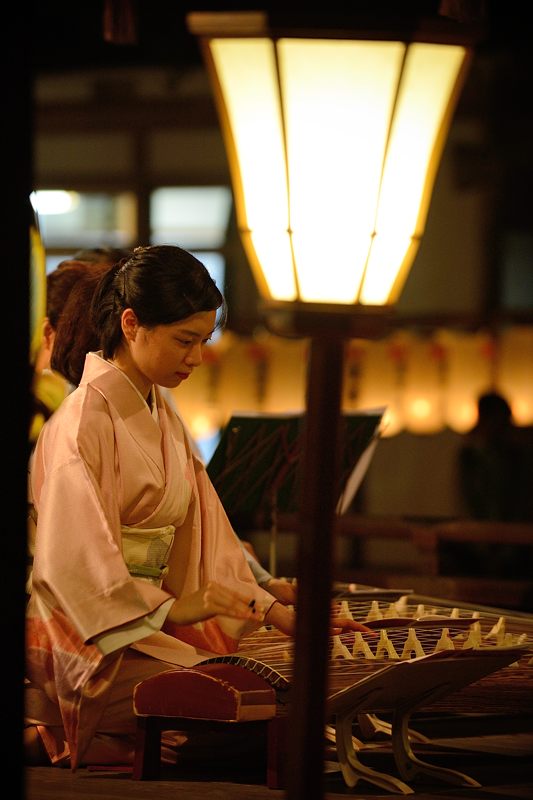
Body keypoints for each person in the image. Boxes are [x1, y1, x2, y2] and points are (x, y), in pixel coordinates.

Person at [25, 245, 363, 769]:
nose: (196, 358)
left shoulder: (164, 413)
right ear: (131, 324)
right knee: (253, 706)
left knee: (286, 693)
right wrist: (175, 607)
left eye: (203, 341)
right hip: (87, 632)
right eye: (185, 341)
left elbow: (209, 539)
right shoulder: (78, 425)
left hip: (145, 621)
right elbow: (74, 570)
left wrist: (279, 613)